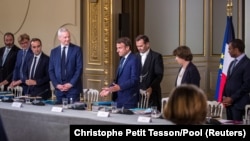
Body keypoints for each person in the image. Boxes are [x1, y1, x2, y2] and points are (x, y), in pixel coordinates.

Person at [100, 37, 140, 109]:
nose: (117, 50)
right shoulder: (122, 59)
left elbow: (134, 79)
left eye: (119, 48)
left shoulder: (134, 59)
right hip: (119, 99)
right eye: (117, 48)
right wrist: (109, 89)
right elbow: (117, 80)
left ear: (127, 47)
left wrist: (120, 87)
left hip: (129, 99)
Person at [49, 27, 83, 104]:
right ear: (59, 38)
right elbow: (51, 70)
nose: (67, 39)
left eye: (68, 37)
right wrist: (57, 85)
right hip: (59, 90)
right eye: (65, 37)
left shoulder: (76, 50)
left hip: (73, 89)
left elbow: (79, 69)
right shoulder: (54, 52)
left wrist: (70, 84)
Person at [222, 39, 250, 121]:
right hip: (229, 103)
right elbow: (228, 81)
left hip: (239, 104)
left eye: (230, 49)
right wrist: (225, 96)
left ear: (236, 49)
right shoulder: (232, 63)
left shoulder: (247, 63)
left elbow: (247, 85)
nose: (228, 51)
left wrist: (232, 98)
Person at [135, 34, 164, 112]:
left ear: (147, 44)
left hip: (152, 93)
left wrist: (151, 87)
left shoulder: (156, 56)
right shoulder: (135, 56)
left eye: (141, 46)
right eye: (137, 46)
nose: (139, 48)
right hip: (138, 95)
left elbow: (159, 75)